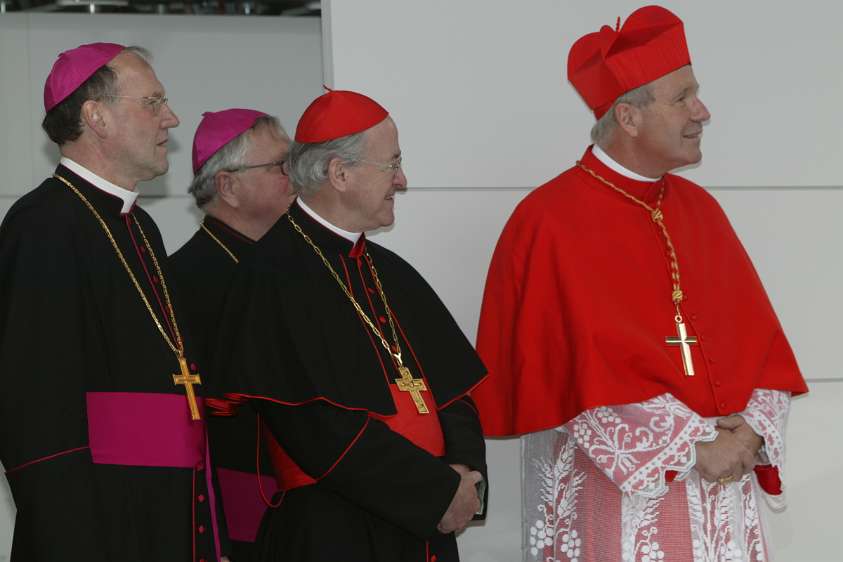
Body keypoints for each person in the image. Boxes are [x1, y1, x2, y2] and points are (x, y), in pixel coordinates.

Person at [471, 6, 808, 562]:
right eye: (682, 98)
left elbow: (759, 350)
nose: (703, 112)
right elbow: (567, 375)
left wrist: (749, 433)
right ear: (626, 117)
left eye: (695, 93)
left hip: (721, 492)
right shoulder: (549, 221)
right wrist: (693, 444)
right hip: (620, 497)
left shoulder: (700, 210)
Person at [209, 89, 488, 562]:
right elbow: (316, 428)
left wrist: (463, 476)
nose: (402, 180)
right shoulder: (271, 277)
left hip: (425, 527)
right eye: (391, 164)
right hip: (336, 529)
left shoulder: (391, 272)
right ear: (339, 173)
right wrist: (436, 493)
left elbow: (453, 394)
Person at [0, 43, 223, 561]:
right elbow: (35, 417)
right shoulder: (42, 226)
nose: (171, 118)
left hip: (170, 519)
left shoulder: (140, 227)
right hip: (101, 532)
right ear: (95, 116)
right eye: (153, 102)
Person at [170, 108, 294, 559]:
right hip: (235, 491)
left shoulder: (289, 263)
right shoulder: (184, 278)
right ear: (228, 186)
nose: (295, 175)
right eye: (280, 165)